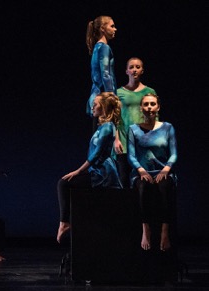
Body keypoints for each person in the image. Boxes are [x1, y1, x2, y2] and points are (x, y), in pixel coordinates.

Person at [56, 92, 123, 243]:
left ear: (104, 107)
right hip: (97, 171)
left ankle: (64, 223)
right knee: (67, 186)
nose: (92, 106)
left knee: (63, 183)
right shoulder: (102, 126)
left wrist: (79, 171)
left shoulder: (107, 127)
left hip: (103, 174)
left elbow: (96, 154)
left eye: (96, 104)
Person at [128, 93, 177, 252]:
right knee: (142, 188)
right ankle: (145, 229)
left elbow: (174, 153)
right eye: (146, 105)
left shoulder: (168, 127)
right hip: (142, 172)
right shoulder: (133, 129)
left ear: (158, 107)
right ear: (141, 108)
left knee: (164, 188)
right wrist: (141, 170)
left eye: (152, 104)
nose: (149, 107)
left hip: (163, 170)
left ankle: (164, 231)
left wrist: (166, 169)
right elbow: (131, 155)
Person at [114, 57, 157, 187]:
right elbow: (114, 118)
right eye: (131, 67)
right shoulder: (119, 93)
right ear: (126, 71)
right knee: (124, 178)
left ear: (142, 70)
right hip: (124, 142)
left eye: (138, 67)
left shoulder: (149, 92)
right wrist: (116, 139)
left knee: (143, 179)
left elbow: (155, 118)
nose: (134, 70)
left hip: (142, 142)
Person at [86, 15, 118, 131]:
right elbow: (105, 74)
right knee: (106, 137)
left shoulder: (97, 47)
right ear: (102, 29)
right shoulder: (104, 48)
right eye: (112, 26)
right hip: (104, 99)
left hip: (97, 97)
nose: (115, 29)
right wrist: (111, 97)